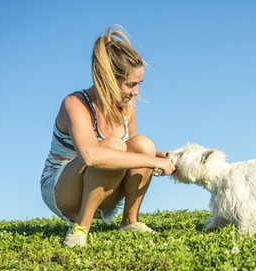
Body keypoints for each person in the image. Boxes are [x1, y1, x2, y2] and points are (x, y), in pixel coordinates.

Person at [40, 25, 175, 248]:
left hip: (102, 186)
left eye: (138, 84)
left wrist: (166, 156)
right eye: (131, 85)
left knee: (142, 144)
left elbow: (134, 153)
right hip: (62, 189)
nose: (136, 92)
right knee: (113, 146)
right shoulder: (74, 103)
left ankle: (130, 221)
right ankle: (81, 226)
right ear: (108, 80)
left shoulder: (128, 108)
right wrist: (153, 161)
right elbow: (91, 156)